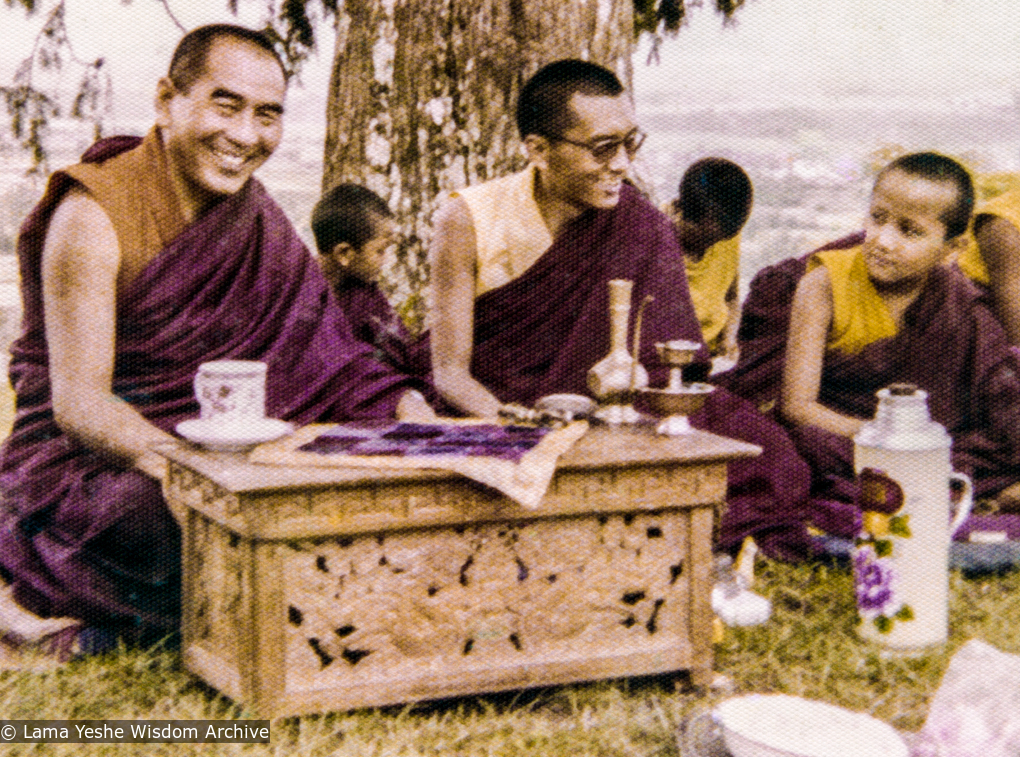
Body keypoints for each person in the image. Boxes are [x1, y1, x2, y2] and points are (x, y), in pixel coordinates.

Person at [0, 24, 434, 655]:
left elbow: (333, 362)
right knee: (169, 520)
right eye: (225, 106)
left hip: (238, 455)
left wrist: (409, 409)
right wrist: (194, 476)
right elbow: (82, 406)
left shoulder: (258, 218)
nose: (245, 136)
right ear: (166, 100)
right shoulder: (93, 216)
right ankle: (37, 577)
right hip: (101, 461)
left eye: (267, 115)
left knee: (358, 485)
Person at [429, 59, 817, 561]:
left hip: (618, 409)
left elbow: (666, 368)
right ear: (538, 150)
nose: (622, 166)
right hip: (504, 410)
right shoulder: (468, 219)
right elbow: (450, 375)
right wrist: (519, 432)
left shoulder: (641, 224)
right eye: (603, 148)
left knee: (772, 457)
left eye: (630, 144)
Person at [759, 152, 1020, 535]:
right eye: (877, 218)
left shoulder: (958, 300)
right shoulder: (824, 284)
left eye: (909, 232)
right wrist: (883, 435)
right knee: (802, 448)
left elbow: (998, 388)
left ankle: (958, 491)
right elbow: (797, 406)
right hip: (850, 438)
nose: (883, 240)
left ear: (951, 250)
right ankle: (959, 495)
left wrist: (920, 442)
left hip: (933, 443)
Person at [311, 183, 432, 381]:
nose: (385, 260)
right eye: (380, 250)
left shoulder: (361, 291)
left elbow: (401, 353)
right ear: (344, 253)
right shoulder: (301, 294)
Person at [664, 158, 752, 363]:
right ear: (680, 211)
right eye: (705, 238)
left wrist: (729, 339)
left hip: (713, 357)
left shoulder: (724, 236)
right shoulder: (655, 237)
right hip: (670, 358)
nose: (710, 246)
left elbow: (731, 298)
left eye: (718, 240)